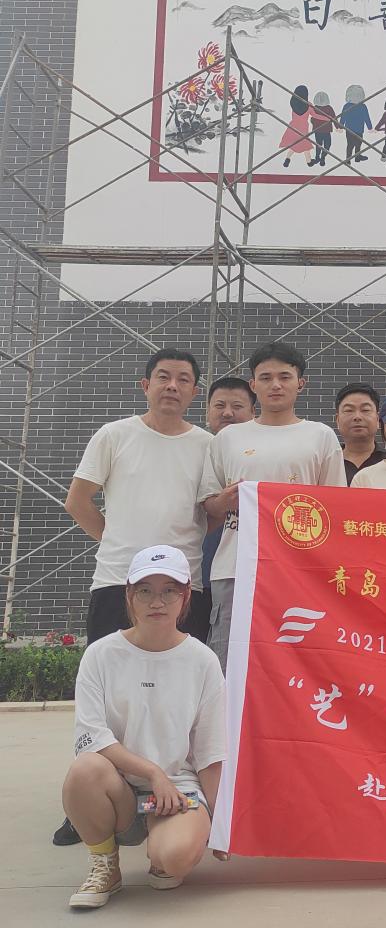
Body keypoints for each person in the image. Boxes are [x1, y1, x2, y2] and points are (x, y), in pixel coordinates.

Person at [56, 349, 212, 848]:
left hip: (185, 584)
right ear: (145, 385)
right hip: (118, 580)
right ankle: (89, 804)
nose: (172, 386)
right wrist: (117, 544)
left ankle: (176, 792)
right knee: (107, 694)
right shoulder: (114, 435)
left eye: (183, 379)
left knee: (177, 694)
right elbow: (78, 500)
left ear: (194, 391)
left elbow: (211, 511)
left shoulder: (207, 445)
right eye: (163, 377)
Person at [62, 545, 226, 909]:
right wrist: (153, 773)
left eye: (169, 590)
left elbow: (210, 750)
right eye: (145, 590)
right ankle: (105, 865)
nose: (157, 601)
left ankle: (162, 848)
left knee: (175, 858)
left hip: (178, 790)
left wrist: (222, 825)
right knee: (84, 769)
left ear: (186, 597)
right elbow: (92, 737)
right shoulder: (101, 655)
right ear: (129, 595)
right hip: (118, 786)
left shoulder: (202, 661)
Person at [200, 342, 340, 671]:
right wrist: (225, 501)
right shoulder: (228, 439)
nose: (275, 385)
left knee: (298, 667)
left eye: (284, 377)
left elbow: (335, 508)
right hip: (235, 568)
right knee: (230, 665)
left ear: (300, 383)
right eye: (265, 378)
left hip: (300, 570)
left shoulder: (321, 436)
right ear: (253, 385)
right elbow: (209, 505)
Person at [191, 376, 257, 643]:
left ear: (253, 411)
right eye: (219, 405)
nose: (228, 413)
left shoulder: (263, 452)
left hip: (240, 570)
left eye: (237, 406)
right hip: (194, 569)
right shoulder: (193, 445)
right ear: (207, 411)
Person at [328, 382, 386, 486]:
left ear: (377, 420)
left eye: (365, 410)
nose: (357, 417)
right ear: (337, 420)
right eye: (349, 410)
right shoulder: (326, 464)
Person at [278, 85, 313, 168]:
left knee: (294, 144)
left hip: (293, 126)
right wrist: (327, 118)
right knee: (305, 145)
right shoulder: (309, 105)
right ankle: (309, 162)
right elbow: (315, 115)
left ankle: (287, 158)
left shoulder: (294, 104)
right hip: (303, 127)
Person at [340, 84, 373, 163]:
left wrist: (340, 126)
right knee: (358, 144)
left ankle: (349, 159)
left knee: (350, 144)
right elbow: (366, 118)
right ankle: (357, 157)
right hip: (358, 129)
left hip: (349, 129)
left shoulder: (347, 106)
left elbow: (343, 117)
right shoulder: (363, 106)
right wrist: (370, 127)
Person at [308, 90, 338, 167]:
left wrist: (337, 126)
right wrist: (337, 126)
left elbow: (334, 118)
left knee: (323, 145)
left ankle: (321, 157)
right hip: (321, 130)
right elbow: (334, 118)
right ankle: (319, 157)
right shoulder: (316, 108)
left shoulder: (327, 108)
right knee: (322, 145)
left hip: (322, 130)